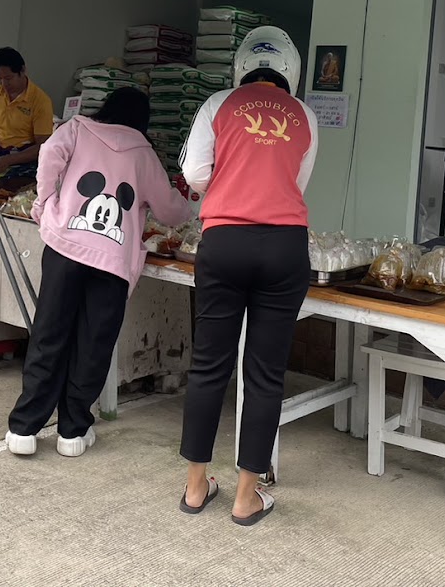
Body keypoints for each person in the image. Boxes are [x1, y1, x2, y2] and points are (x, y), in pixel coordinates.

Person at [177, 26, 317, 525]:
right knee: (265, 373)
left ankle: (196, 488)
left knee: (208, 365)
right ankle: (245, 497)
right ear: (291, 71)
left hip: (225, 242)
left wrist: (230, 180)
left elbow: (194, 173)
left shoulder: (218, 103)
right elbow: (297, 181)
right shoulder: (305, 116)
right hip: (284, 247)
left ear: (241, 66)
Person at [5, 87, 191, 458]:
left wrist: (45, 201)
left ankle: (24, 428)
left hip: (65, 248)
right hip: (112, 261)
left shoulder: (77, 129)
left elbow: (48, 154)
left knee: (48, 335)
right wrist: (192, 205)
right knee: (93, 344)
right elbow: (170, 211)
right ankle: (73, 432)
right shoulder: (143, 153)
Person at [0, 47, 53, 191]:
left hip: (26, 162)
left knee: (11, 192)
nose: (4, 84)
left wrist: (10, 160)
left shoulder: (40, 101)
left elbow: (43, 145)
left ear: (22, 71)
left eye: (8, 78)